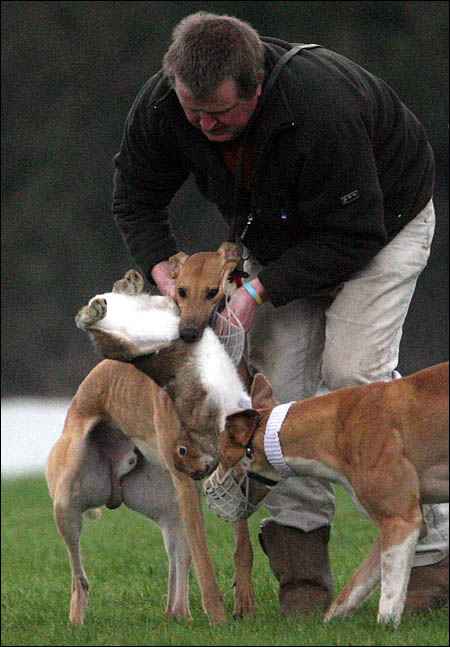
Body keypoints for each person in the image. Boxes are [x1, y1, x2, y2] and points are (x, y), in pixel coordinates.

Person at [112, 12, 448, 615]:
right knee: (280, 396)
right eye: (196, 114)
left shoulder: (322, 106)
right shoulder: (167, 104)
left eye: (220, 114)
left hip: (381, 226)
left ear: (257, 86)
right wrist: (163, 270)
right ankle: (301, 570)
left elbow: (354, 232)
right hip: (282, 240)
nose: (206, 125)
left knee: (354, 374)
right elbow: (134, 196)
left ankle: (431, 553)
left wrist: (254, 294)